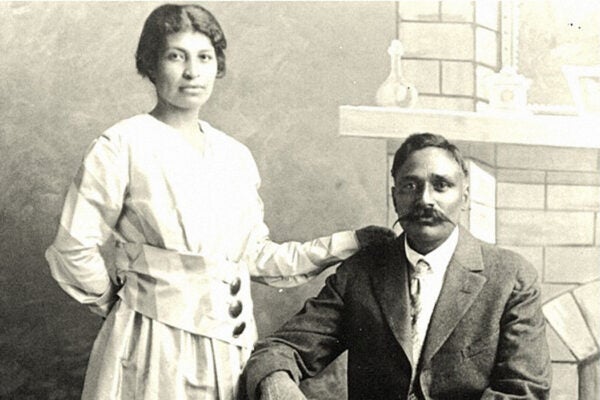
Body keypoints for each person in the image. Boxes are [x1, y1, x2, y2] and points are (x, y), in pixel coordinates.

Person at [44, 4, 395, 400]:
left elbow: (254, 258)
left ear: (217, 66)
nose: (192, 72)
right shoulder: (122, 145)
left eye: (204, 57)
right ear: (151, 65)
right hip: (153, 349)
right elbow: (73, 247)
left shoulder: (234, 156)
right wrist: (122, 305)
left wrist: (350, 242)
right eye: (176, 56)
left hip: (230, 352)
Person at [244, 133, 552, 400]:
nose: (425, 200)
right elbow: (280, 349)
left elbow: (524, 388)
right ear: (394, 196)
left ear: (464, 195)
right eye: (410, 186)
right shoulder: (361, 274)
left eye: (441, 186)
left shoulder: (510, 276)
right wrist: (277, 386)